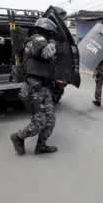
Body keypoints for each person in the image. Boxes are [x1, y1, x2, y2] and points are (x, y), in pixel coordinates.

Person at [10, 17, 59, 155]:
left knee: (50, 121)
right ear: (47, 30)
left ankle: (41, 146)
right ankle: (18, 137)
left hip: (44, 88)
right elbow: (45, 54)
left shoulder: (42, 42)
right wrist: (53, 44)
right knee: (39, 123)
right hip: (34, 88)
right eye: (51, 33)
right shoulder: (36, 40)